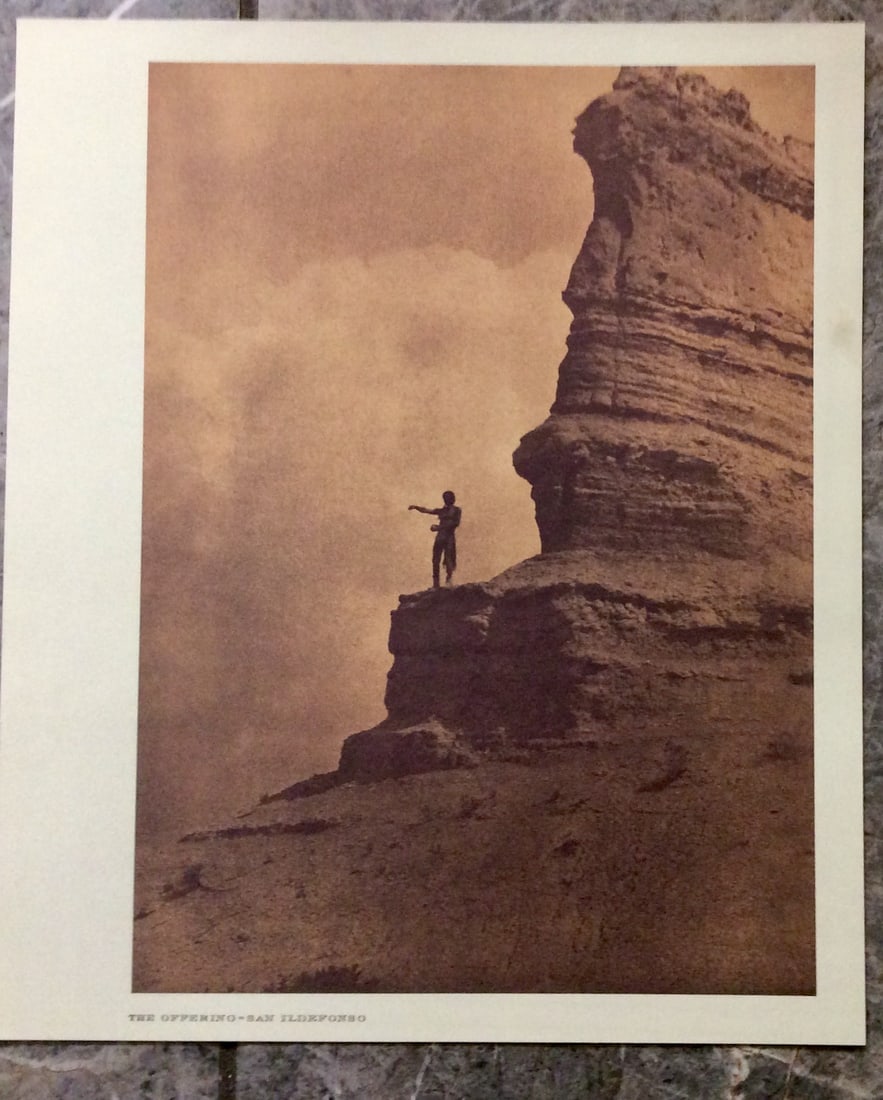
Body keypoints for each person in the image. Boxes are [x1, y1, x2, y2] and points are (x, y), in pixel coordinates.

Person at [408, 491, 462, 588]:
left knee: (449, 558)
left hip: (448, 537)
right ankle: (436, 584)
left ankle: (449, 581)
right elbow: (427, 510)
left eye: (448, 498)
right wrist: (416, 507)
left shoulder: (457, 510)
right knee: (435, 559)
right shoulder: (442, 510)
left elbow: (455, 523)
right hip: (441, 537)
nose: (447, 500)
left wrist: (438, 528)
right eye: (445, 498)